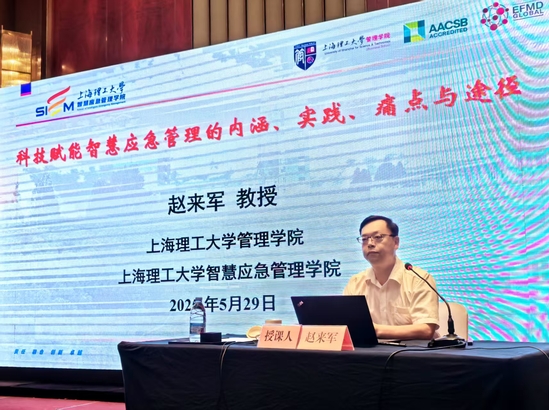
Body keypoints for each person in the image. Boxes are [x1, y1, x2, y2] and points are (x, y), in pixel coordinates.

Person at [344, 215, 439, 340]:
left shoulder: (419, 280)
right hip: (368, 352)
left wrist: (375, 330)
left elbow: (426, 330)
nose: (370, 244)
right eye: (364, 239)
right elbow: (346, 325)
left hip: (411, 351)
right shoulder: (355, 282)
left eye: (378, 237)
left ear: (396, 242)